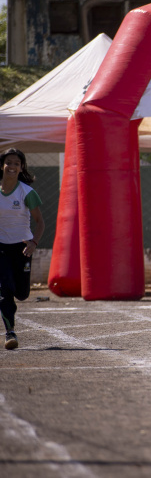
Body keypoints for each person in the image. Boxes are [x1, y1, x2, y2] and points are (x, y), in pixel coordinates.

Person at [0, 149, 44, 350]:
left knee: (22, 293)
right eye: (8, 162)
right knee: (5, 289)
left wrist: (34, 242)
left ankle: (16, 295)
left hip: (22, 247)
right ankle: (10, 332)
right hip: (1, 247)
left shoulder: (27, 192)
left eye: (16, 163)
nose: (12, 167)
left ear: (21, 167)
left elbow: (40, 222)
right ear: (2, 165)